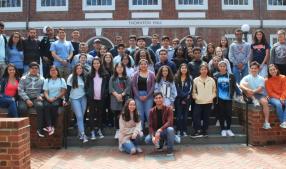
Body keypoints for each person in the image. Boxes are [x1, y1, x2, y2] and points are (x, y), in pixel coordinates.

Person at [240, 61, 271, 129]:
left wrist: (252, 91)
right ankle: (254, 100)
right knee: (245, 84)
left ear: (258, 69)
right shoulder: (247, 77)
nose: (253, 70)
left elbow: (260, 89)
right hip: (248, 95)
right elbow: (241, 85)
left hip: (258, 94)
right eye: (252, 68)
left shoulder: (261, 78)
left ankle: (266, 122)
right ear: (250, 69)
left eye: (255, 68)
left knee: (265, 102)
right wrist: (248, 90)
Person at [18, 62, 45, 137]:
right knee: (22, 108)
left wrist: (41, 96)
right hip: (24, 98)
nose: (34, 70)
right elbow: (20, 90)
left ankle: (39, 129)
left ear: (38, 70)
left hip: (36, 98)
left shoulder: (42, 79)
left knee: (40, 106)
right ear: (29, 69)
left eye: (36, 68)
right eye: (32, 68)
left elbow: (45, 91)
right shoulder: (23, 78)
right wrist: (27, 99)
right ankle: (22, 129)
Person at [145, 92, 176, 156]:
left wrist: (160, 130)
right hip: (157, 133)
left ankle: (170, 150)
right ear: (154, 100)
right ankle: (161, 142)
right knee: (147, 140)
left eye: (160, 98)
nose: (158, 99)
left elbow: (169, 122)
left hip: (165, 131)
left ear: (163, 99)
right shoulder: (151, 111)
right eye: (156, 98)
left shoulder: (169, 109)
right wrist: (153, 136)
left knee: (170, 130)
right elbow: (150, 125)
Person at [85, 58, 109, 140]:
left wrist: (105, 94)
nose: (96, 65)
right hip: (92, 98)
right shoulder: (89, 74)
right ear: (92, 65)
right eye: (94, 63)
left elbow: (107, 87)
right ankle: (92, 131)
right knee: (91, 115)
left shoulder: (105, 74)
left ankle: (99, 130)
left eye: (97, 63)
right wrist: (88, 94)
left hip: (101, 98)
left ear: (100, 64)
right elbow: (86, 86)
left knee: (100, 114)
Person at [191, 63, 216, 138]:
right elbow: (193, 91)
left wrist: (211, 97)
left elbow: (214, 91)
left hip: (208, 102)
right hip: (198, 101)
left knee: (206, 117)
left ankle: (204, 131)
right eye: (202, 69)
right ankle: (197, 131)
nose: (204, 71)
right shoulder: (195, 80)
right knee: (196, 116)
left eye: (205, 69)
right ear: (200, 71)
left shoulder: (211, 80)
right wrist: (196, 97)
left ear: (207, 70)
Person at [65, 64, 88, 143]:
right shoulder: (71, 77)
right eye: (77, 68)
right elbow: (68, 90)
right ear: (75, 69)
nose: (79, 69)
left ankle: (80, 133)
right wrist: (66, 99)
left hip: (83, 98)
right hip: (74, 99)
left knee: (81, 116)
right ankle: (83, 134)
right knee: (79, 116)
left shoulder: (84, 76)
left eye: (81, 68)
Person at [131, 59, 155, 129]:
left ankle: (151, 131)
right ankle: (140, 131)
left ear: (147, 65)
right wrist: (138, 96)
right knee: (140, 114)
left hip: (149, 96)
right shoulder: (135, 74)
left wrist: (147, 96)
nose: (143, 65)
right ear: (139, 66)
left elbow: (153, 86)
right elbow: (134, 86)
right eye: (141, 64)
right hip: (138, 95)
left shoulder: (151, 74)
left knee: (148, 114)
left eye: (145, 64)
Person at [214, 61, 236, 136]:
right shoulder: (215, 76)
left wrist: (237, 94)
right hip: (219, 99)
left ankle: (228, 129)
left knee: (229, 114)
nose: (222, 67)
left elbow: (234, 86)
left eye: (224, 66)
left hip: (228, 98)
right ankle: (223, 129)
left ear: (226, 67)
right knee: (221, 114)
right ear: (218, 67)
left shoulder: (231, 76)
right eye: (221, 66)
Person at [43, 65, 67, 135]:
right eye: (51, 70)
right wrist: (48, 98)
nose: (53, 71)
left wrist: (55, 98)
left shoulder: (61, 80)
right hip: (49, 98)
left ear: (57, 71)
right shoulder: (47, 80)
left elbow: (63, 91)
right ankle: (49, 126)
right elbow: (45, 92)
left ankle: (53, 125)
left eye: (54, 70)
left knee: (54, 105)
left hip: (58, 98)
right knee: (46, 105)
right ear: (49, 72)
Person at [109, 63, 131, 139]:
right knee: (117, 116)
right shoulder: (113, 78)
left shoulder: (127, 77)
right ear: (115, 69)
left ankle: (124, 130)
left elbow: (128, 87)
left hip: (124, 98)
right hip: (115, 99)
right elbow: (111, 88)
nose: (119, 69)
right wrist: (117, 95)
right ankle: (117, 130)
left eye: (121, 67)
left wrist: (122, 94)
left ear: (123, 68)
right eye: (118, 67)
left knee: (125, 115)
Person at [229, 29, 251, 98]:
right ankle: (239, 95)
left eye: (240, 34)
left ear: (242, 35)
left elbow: (249, 55)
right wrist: (237, 64)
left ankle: (245, 95)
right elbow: (231, 56)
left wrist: (243, 63)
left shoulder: (247, 44)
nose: (239, 36)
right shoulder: (232, 45)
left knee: (245, 81)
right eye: (237, 34)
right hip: (235, 66)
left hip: (245, 66)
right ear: (235, 35)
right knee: (237, 81)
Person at [265, 64, 286, 128]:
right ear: (268, 71)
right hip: (272, 98)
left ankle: (284, 122)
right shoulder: (267, 80)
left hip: (283, 96)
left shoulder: (283, 77)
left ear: (277, 70)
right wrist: (280, 98)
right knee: (278, 104)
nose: (273, 71)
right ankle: (283, 122)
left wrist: (282, 97)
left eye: (274, 69)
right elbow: (270, 92)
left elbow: (285, 89)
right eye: (270, 70)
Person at [174, 63, 192, 137]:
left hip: (187, 100)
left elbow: (190, 90)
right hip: (178, 99)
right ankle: (178, 130)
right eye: (182, 68)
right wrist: (182, 97)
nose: (184, 69)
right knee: (178, 116)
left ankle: (184, 130)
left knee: (185, 116)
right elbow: (177, 90)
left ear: (187, 69)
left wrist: (185, 98)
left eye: (185, 68)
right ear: (180, 69)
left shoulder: (190, 78)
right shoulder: (176, 78)